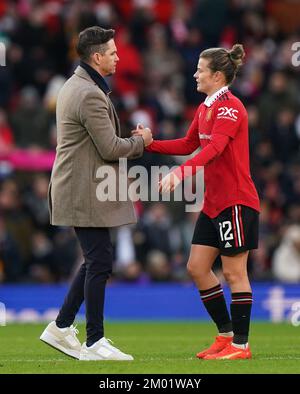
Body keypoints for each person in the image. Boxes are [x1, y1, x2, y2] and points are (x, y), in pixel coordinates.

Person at [134, 44, 260, 360]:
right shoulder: (205, 107)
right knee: (197, 267)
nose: (195, 74)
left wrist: (181, 173)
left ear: (217, 76)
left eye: (200, 69)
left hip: (236, 201)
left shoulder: (231, 108)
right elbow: (190, 143)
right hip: (214, 203)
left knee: (234, 272)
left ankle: (241, 346)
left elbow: (215, 147)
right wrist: (151, 145)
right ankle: (225, 335)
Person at [40, 26, 152, 361]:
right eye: (114, 52)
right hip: (83, 189)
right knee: (99, 261)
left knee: (96, 260)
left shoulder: (77, 85)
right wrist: (142, 142)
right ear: (97, 56)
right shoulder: (88, 93)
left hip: (81, 186)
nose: (118, 57)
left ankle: (61, 327)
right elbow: (109, 147)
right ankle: (94, 340)